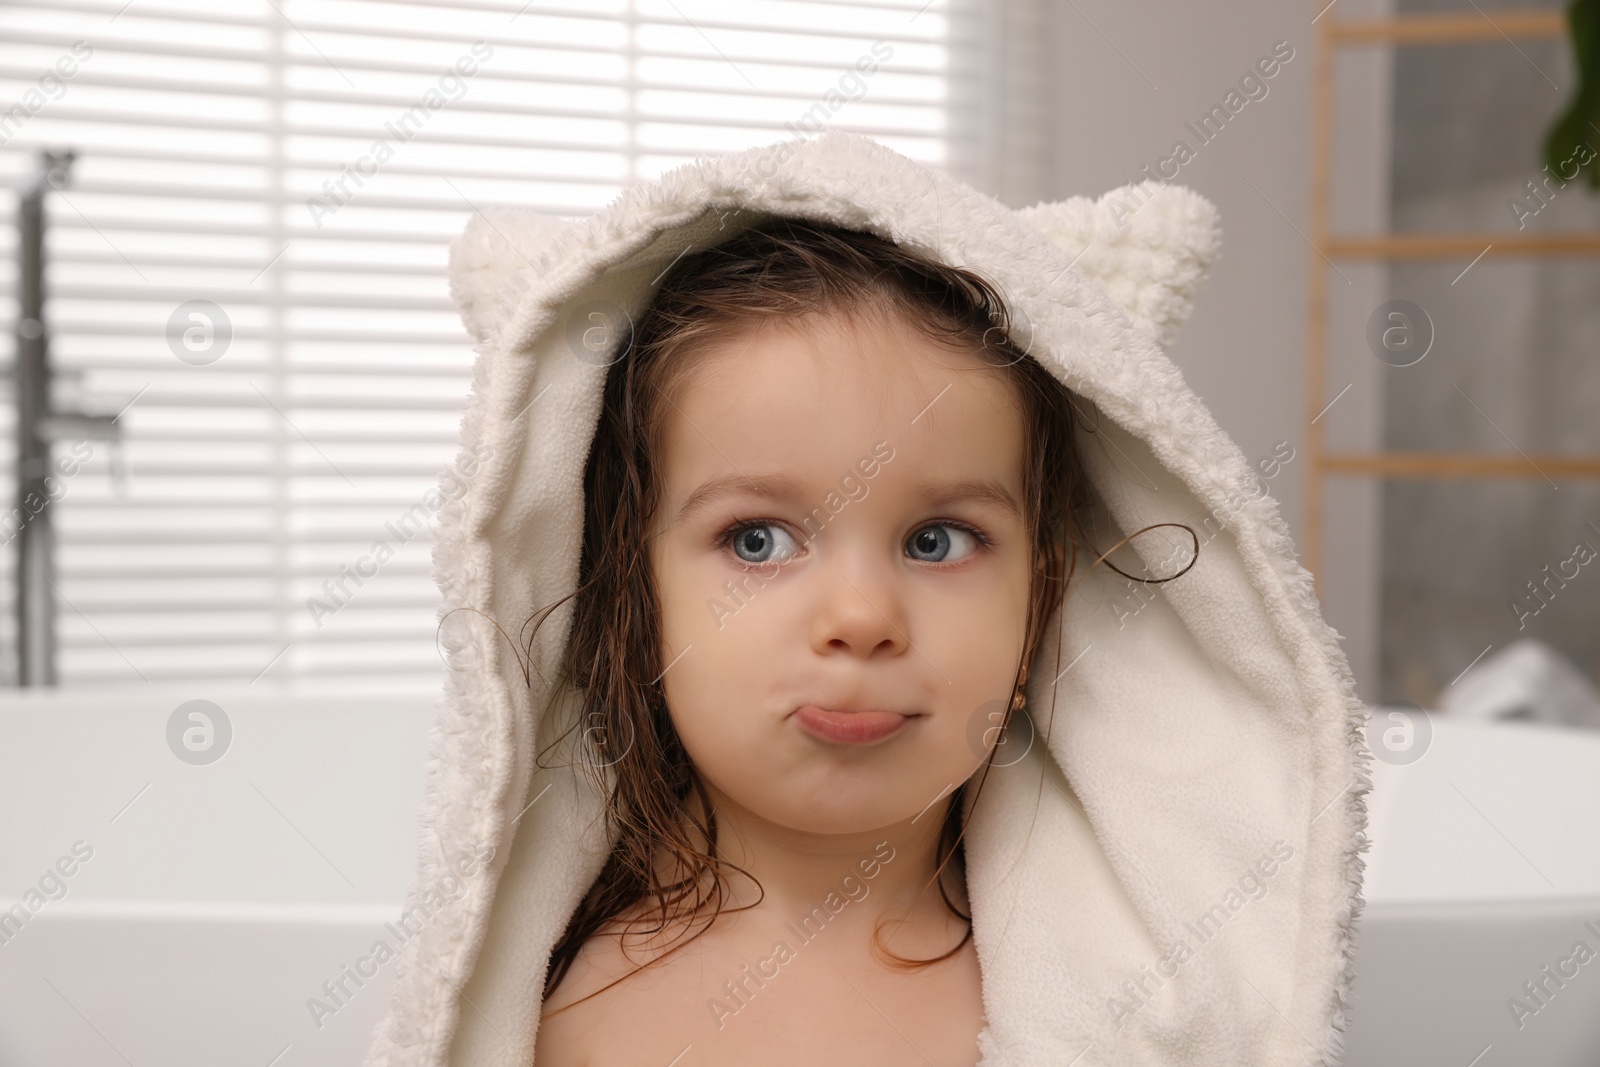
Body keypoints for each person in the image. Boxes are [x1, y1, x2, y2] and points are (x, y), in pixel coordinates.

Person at [364, 132, 1368, 1067]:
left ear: (1044, 598)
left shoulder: (1140, 1001)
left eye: (938, 541)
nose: (860, 615)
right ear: (632, 594)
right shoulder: (558, 1010)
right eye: (756, 539)